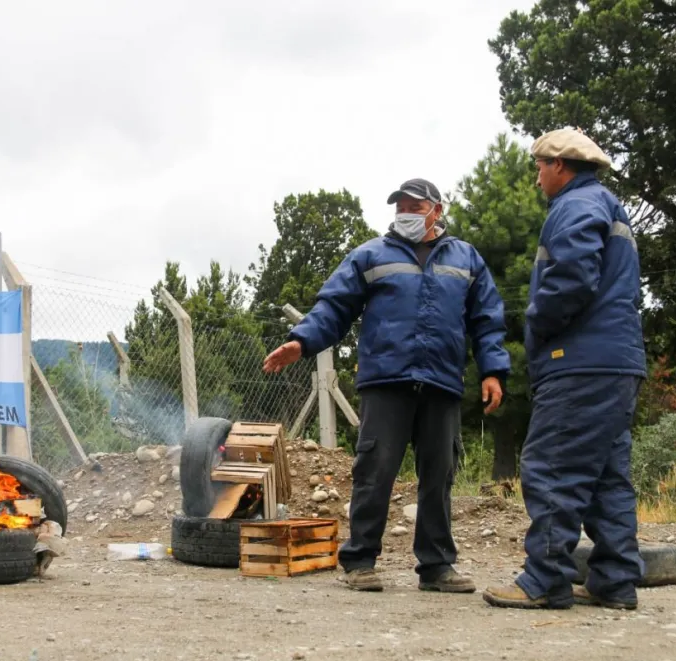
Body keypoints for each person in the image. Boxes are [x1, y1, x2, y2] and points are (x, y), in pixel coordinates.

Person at [263, 178, 510, 593]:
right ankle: (360, 561)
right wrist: (302, 340)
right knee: (373, 471)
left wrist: (493, 371)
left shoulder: (467, 259)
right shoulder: (370, 255)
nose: (407, 214)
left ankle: (436, 567)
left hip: (441, 381)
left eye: (416, 206)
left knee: (439, 474)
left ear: (437, 211)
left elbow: (487, 318)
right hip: (386, 381)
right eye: (402, 207)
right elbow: (334, 306)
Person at [481, 128, 647, 610]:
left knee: (551, 465)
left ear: (560, 165)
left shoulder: (575, 205)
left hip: (581, 363)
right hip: (617, 362)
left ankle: (545, 579)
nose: (536, 179)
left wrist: (538, 324)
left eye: (539, 168)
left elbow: (572, 275)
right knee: (604, 476)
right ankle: (615, 581)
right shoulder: (608, 204)